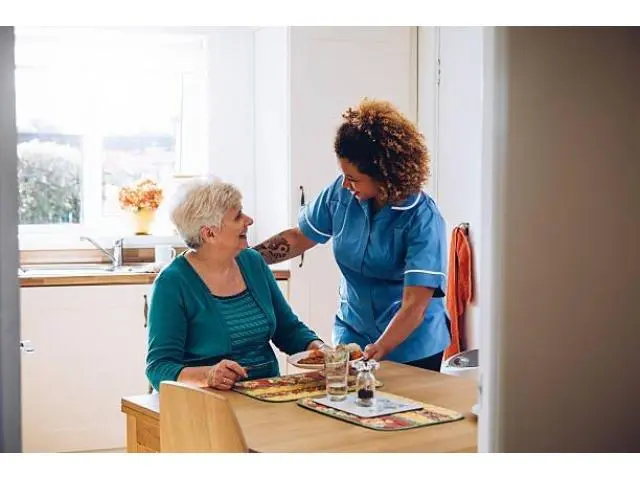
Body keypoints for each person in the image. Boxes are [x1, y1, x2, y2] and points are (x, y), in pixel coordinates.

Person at [254, 98, 450, 371]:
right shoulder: (341, 193)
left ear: (384, 176)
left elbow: (415, 305)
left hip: (411, 346)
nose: (346, 184)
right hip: (353, 334)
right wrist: (246, 258)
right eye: (344, 175)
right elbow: (299, 238)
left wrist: (381, 348)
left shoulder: (423, 218)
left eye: (354, 179)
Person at [145, 178, 324, 392]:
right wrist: (209, 375)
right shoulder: (172, 283)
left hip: (267, 393)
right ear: (209, 233)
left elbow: (288, 330)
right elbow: (159, 367)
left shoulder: (252, 262)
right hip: (208, 400)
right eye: (238, 216)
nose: (249, 220)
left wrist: (321, 350)